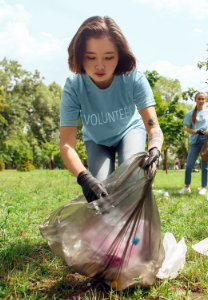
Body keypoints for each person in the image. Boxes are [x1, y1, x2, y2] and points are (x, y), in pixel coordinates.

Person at [59, 16, 163, 203]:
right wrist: (84, 177)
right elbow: (67, 145)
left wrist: (155, 149)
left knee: (131, 179)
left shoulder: (134, 78)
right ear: (80, 56)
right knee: (100, 193)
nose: (100, 65)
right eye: (91, 57)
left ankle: (134, 230)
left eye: (108, 57)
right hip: (96, 140)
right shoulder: (73, 87)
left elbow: (153, 128)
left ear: (120, 55)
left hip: (129, 131)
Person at [179, 92, 208, 195]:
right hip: (195, 142)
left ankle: (203, 187)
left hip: (206, 141)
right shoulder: (190, 114)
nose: (201, 101)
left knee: (205, 166)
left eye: (203, 99)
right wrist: (197, 131)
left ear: (205, 100)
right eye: (199, 99)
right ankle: (187, 186)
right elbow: (188, 129)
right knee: (189, 165)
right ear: (195, 100)